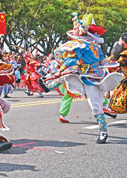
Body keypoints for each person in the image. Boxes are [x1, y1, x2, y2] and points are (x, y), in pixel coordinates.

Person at [50, 13, 121, 143]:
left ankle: (103, 132)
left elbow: (72, 61)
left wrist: (59, 70)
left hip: (91, 77)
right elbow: (100, 59)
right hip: (86, 72)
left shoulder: (82, 44)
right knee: (67, 76)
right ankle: (47, 86)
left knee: (95, 106)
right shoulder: (93, 43)